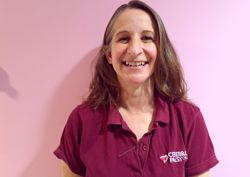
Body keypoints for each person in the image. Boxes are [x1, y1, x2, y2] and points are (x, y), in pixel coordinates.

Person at [54, 0, 219, 177]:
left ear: (160, 50)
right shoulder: (81, 121)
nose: (134, 49)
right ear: (109, 54)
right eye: (124, 38)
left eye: (147, 38)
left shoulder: (188, 118)